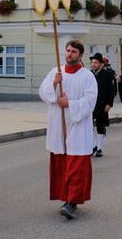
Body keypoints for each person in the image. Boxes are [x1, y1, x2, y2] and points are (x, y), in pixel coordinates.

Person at [39, 39, 98, 219]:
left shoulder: (87, 76)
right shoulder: (56, 72)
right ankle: (64, 196)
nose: (69, 54)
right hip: (58, 122)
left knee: (76, 164)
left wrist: (69, 104)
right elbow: (43, 92)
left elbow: (90, 102)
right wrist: (54, 84)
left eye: (73, 52)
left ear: (80, 55)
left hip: (77, 124)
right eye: (67, 51)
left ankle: (72, 202)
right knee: (62, 162)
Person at [89, 53, 116, 157]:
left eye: (96, 63)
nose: (93, 64)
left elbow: (111, 91)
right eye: (92, 62)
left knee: (100, 126)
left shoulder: (107, 74)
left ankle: (99, 148)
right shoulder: (89, 74)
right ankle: (92, 146)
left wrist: (109, 104)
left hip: (102, 105)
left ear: (101, 64)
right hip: (91, 105)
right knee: (89, 126)